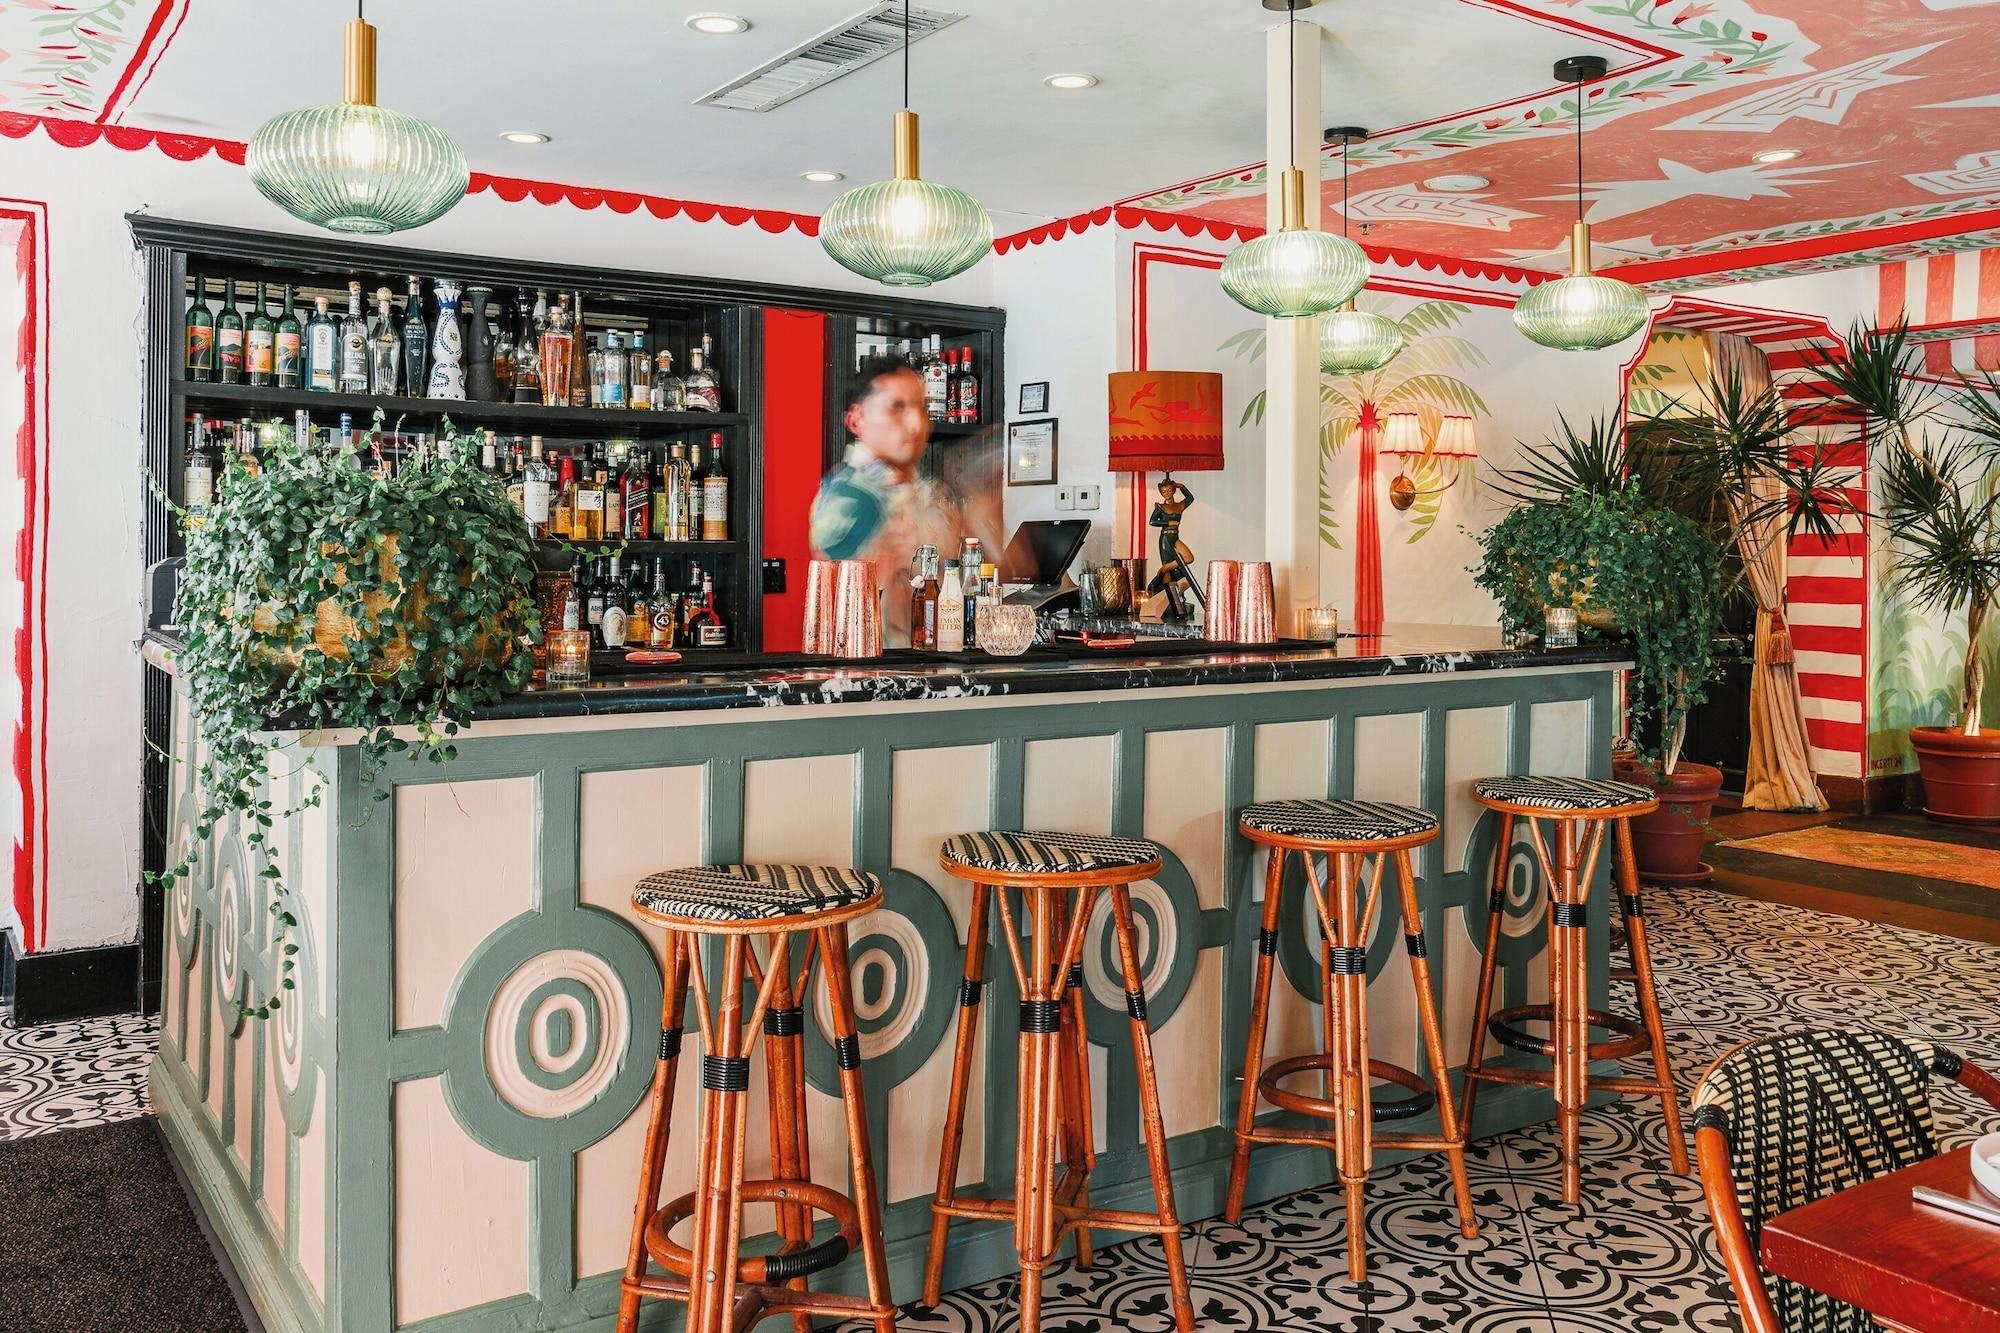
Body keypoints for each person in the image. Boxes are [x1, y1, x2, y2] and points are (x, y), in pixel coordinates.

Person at [811, 355, 969, 647]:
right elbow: (839, 602)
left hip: (935, 664)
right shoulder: (849, 495)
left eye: (921, 408)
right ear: (856, 419)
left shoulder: (932, 492)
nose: (915, 423)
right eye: (897, 408)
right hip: (875, 673)